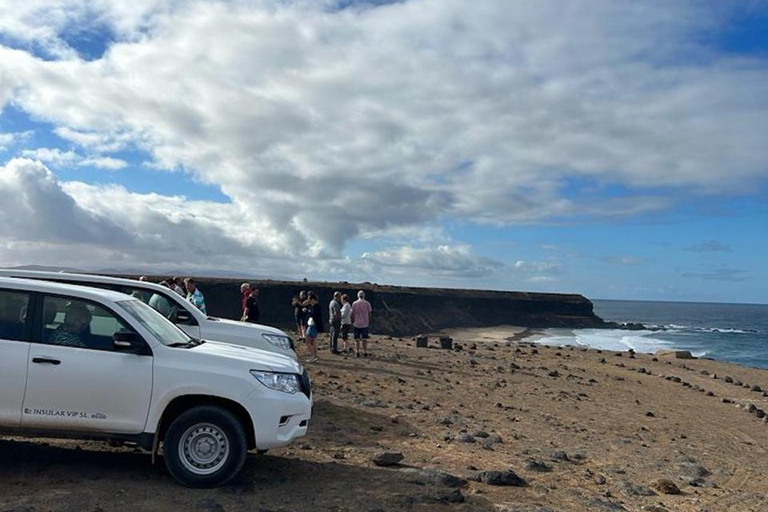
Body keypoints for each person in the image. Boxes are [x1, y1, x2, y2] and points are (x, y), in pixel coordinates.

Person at [351, 290, 372, 357]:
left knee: (356, 339)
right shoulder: (367, 303)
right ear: (364, 296)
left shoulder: (354, 303)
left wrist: (352, 320)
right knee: (364, 339)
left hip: (356, 323)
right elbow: (369, 313)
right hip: (364, 324)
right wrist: (369, 321)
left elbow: (352, 313)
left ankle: (357, 351)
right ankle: (365, 351)